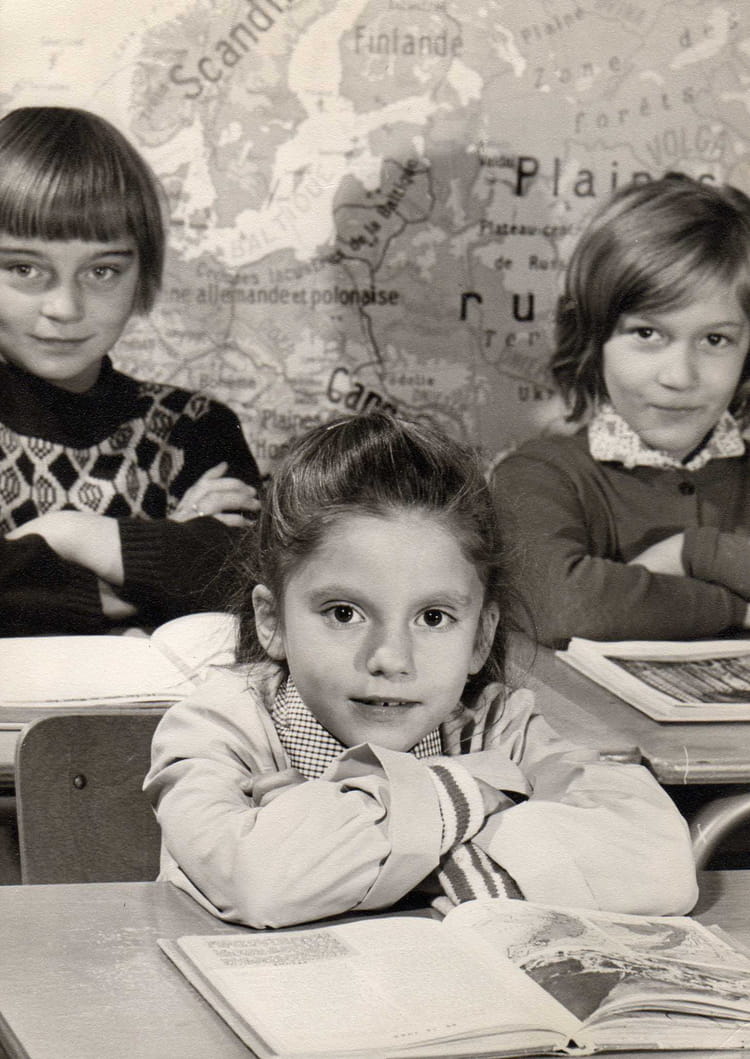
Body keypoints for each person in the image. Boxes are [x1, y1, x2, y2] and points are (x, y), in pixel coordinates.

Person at [145, 410, 697, 929]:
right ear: (273, 622)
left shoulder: (496, 726)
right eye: (344, 613)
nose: (391, 658)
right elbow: (261, 882)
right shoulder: (217, 729)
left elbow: (661, 867)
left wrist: (371, 821)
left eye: (433, 618)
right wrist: (482, 796)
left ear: (481, 636)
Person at [0, 106, 262, 636]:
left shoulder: (194, 427)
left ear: (142, 272)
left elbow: (246, 582)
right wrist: (160, 552)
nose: (65, 308)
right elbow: (194, 573)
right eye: (25, 268)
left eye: (102, 271)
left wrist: (69, 534)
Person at [492, 173, 750, 647]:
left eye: (716, 339)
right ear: (594, 342)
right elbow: (561, 606)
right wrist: (722, 587)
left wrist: (692, 553)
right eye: (647, 334)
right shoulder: (539, 476)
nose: (680, 377)